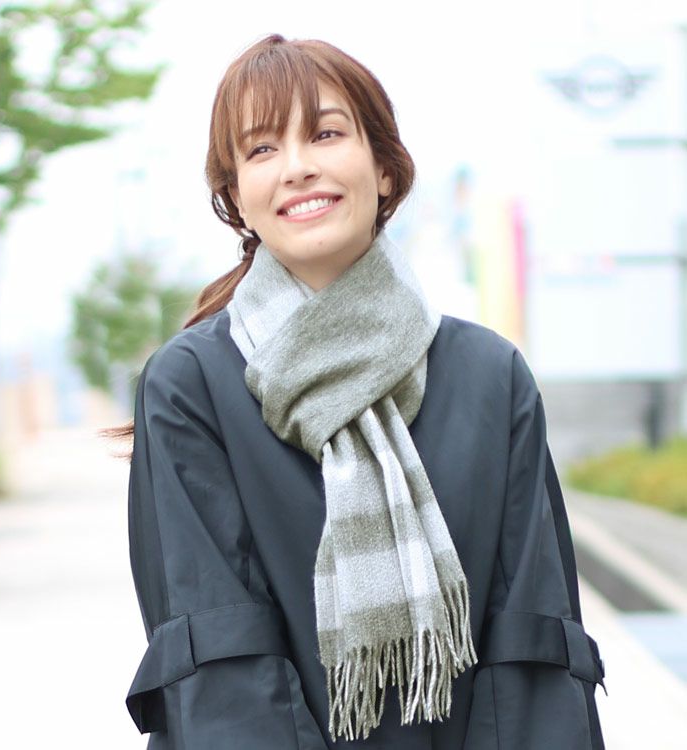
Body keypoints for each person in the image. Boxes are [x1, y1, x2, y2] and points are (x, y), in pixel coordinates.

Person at [120, 34, 607, 749]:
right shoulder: (191, 386)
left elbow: (532, 643)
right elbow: (222, 667)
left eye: (325, 134)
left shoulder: (490, 375)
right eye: (262, 149)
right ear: (236, 198)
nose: (297, 167)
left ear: (383, 168)